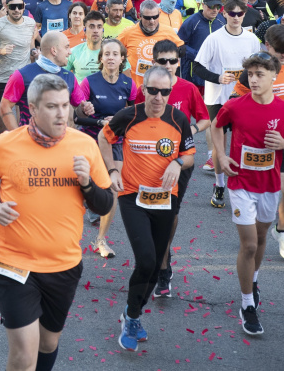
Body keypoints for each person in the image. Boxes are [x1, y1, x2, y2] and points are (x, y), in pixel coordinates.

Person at [0, 74, 112, 371]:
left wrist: (87, 183)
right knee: (24, 354)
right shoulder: (5, 144)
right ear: (33, 109)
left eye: (65, 105)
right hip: (13, 262)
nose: (62, 113)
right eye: (52, 106)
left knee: (48, 344)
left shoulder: (83, 146)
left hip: (62, 265)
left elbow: (106, 204)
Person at [98, 66, 196, 351]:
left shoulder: (178, 119)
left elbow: (189, 155)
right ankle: (131, 316)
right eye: (152, 90)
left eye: (164, 91)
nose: (158, 97)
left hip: (166, 198)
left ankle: (133, 314)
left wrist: (177, 163)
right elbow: (104, 138)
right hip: (133, 196)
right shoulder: (129, 116)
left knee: (155, 266)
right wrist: (111, 171)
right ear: (143, 90)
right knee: (145, 260)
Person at [212, 52, 284, 335]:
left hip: (269, 184)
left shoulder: (281, 108)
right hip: (240, 183)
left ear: (274, 77)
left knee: (263, 237)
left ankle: (252, 281)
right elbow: (217, 127)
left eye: (259, 75)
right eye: (250, 75)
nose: (253, 80)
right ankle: (247, 304)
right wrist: (222, 155)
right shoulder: (235, 106)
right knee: (250, 244)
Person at [134, 40, 210, 296]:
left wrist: (191, 130)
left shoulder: (188, 89)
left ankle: (163, 264)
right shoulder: (145, 88)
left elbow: (205, 119)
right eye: (162, 61)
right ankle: (154, 258)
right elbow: (132, 117)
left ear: (179, 62)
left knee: (169, 212)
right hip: (147, 160)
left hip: (180, 162)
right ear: (153, 62)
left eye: (172, 61)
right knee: (148, 210)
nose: (168, 66)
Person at [194, 0, 260, 206]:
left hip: (243, 98)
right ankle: (220, 185)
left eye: (240, 14)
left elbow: (258, 68)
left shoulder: (251, 39)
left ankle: (245, 184)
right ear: (224, 14)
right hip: (218, 98)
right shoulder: (214, 39)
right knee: (219, 145)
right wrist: (218, 78)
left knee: (245, 143)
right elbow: (197, 67)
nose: (236, 17)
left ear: (244, 14)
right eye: (231, 13)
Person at [77, 39, 137, 257]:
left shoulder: (129, 84)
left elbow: (135, 115)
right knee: (82, 186)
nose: (111, 57)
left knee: (113, 189)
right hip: (90, 141)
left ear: (122, 59)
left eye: (115, 54)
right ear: (100, 58)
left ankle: (100, 240)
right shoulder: (88, 83)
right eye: (107, 54)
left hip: (115, 142)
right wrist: (96, 119)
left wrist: (120, 121)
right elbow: (78, 118)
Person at [0, 31, 93, 129]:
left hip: (60, 141)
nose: (70, 52)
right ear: (54, 50)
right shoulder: (21, 75)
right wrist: (17, 136)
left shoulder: (69, 76)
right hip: (30, 140)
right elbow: (5, 106)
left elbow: (79, 110)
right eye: (66, 47)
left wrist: (84, 110)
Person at [0, 0, 37, 133]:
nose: (16, 9)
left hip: (25, 78)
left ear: (24, 7)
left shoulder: (30, 23)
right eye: (13, 6)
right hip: (5, 78)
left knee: (24, 123)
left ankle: (21, 152)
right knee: (3, 125)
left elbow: (29, 44)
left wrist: (33, 52)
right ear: (6, 7)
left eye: (20, 6)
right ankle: (0, 151)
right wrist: (1, 51)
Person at [118, 0, 184, 88]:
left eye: (155, 17)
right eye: (148, 18)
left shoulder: (168, 31)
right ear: (139, 16)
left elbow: (182, 49)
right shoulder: (128, 32)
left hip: (161, 88)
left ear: (159, 14)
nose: (152, 21)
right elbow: (114, 50)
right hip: (136, 89)